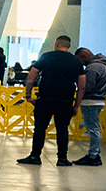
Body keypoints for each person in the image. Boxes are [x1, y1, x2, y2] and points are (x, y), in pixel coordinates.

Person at [18, 35, 85, 167]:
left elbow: (31, 77)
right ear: (69, 45)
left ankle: (35, 156)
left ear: (56, 43)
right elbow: (82, 86)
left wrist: (28, 96)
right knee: (62, 129)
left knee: (40, 128)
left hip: (45, 100)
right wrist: (76, 105)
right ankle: (62, 159)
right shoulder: (76, 62)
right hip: (65, 102)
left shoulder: (46, 57)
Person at [74, 46, 106, 166]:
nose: (81, 64)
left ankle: (93, 156)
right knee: (95, 127)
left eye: (80, 60)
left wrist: (77, 99)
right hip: (100, 100)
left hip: (90, 101)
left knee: (93, 129)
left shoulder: (92, 68)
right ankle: (95, 153)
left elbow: (86, 87)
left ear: (84, 56)